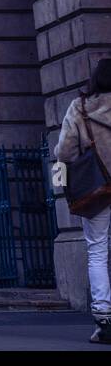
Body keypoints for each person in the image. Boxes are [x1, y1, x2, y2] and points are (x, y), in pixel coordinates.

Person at [56, 58, 111, 345]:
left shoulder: (80, 107)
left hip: (99, 188)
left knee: (98, 251)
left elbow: (64, 153)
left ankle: (104, 318)